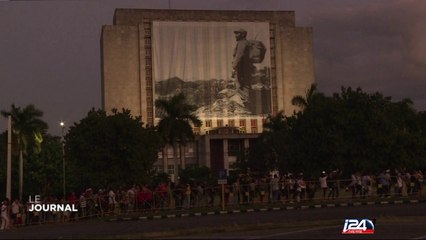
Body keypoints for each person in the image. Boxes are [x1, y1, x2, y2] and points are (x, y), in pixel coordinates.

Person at [232, 28, 255, 99]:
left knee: (242, 87)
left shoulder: (242, 43)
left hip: (241, 69)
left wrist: (234, 66)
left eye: (237, 33)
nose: (235, 35)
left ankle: (244, 102)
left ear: (242, 35)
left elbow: (239, 55)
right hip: (246, 69)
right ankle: (247, 101)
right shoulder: (247, 43)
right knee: (245, 86)